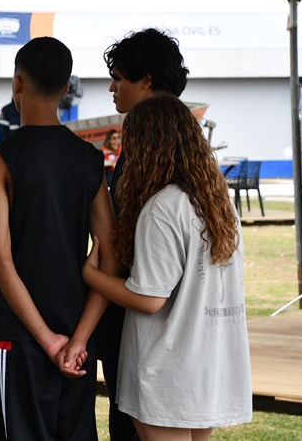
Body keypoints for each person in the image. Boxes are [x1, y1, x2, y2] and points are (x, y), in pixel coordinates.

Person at [82, 95, 253, 439]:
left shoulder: (163, 207)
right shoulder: (218, 201)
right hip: (208, 364)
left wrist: (92, 275)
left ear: (147, 146)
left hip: (169, 370)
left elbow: (148, 298)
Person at [0, 36, 118, 440]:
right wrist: (76, 340)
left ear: (16, 85)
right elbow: (110, 254)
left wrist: (47, 340)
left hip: (20, 335)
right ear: (64, 88)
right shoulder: (89, 159)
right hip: (77, 333)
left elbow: (1, 261)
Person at [97, 27, 190, 441]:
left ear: (146, 80)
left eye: (119, 77)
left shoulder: (155, 148)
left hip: (146, 308)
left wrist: (94, 274)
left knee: (134, 420)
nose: (113, 89)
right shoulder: (187, 144)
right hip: (178, 314)